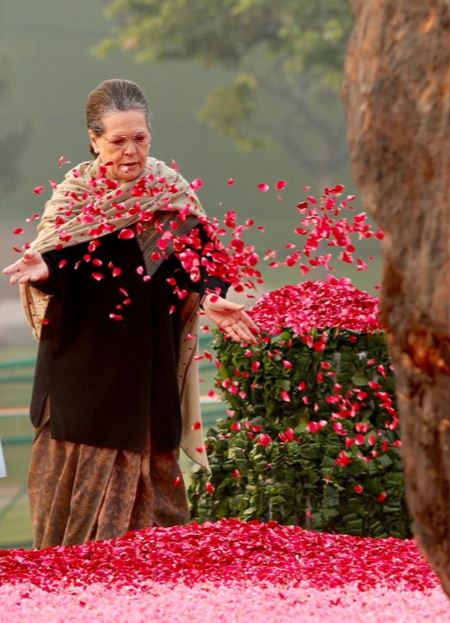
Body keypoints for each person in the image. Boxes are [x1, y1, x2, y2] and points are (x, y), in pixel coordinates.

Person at [2, 78, 258, 548]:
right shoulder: (75, 198)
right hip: (83, 380)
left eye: (139, 138)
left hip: (149, 377)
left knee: (157, 537)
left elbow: (204, 264)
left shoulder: (171, 195)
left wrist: (211, 295)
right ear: (94, 140)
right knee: (75, 538)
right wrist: (44, 269)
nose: (129, 151)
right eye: (117, 141)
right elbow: (57, 262)